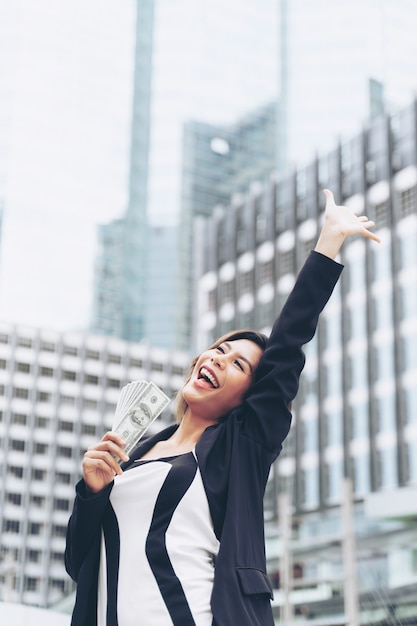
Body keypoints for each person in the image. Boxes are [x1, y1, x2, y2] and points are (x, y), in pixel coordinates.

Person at [65, 190, 380, 626]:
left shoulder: (239, 447)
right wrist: (92, 492)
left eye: (238, 365)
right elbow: (78, 561)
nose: (218, 359)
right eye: (219, 349)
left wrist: (329, 241)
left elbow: (287, 346)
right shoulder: (132, 455)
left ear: (248, 398)